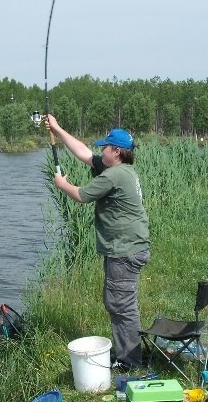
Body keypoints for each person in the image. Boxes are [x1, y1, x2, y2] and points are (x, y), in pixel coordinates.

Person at [45, 114, 150, 369]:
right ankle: (127, 354)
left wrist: (61, 184)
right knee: (118, 302)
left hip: (124, 250)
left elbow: (81, 195)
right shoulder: (121, 170)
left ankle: (130, 361)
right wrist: (58, 129)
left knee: (121, 305)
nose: (101, 150)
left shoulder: (114, 176)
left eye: (105, 147)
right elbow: (83, 153)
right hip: (128, 247)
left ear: (117, 151)